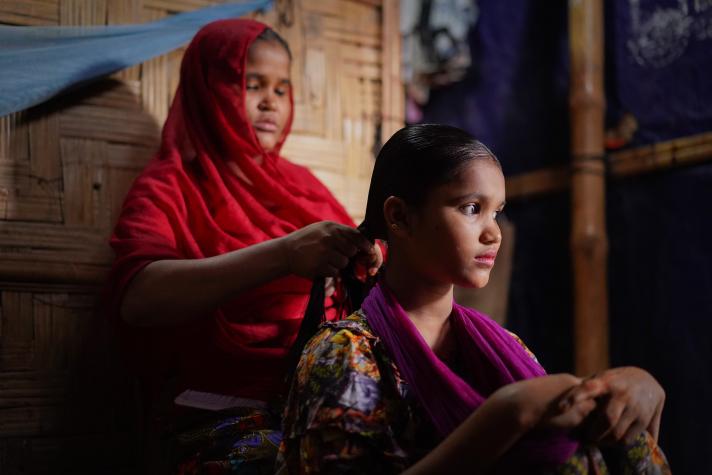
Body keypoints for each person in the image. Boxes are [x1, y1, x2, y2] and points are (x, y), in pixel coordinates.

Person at [277, 124, 670, 474]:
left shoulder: (504, 344)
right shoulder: (343, 354)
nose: (493, 233)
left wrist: (637, 382)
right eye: (471, 208)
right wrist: (503, 418)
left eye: (496, 212)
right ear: (399, 217)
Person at [106, 19, 381, 473]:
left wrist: (365, 260)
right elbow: (138, 297)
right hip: (220, 409)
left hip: (325, 393)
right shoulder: (169, 186)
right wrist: (284, 255)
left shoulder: (303, 187)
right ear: (208, 89)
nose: (270, 102)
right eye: (252, 85)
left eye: (281, 88)